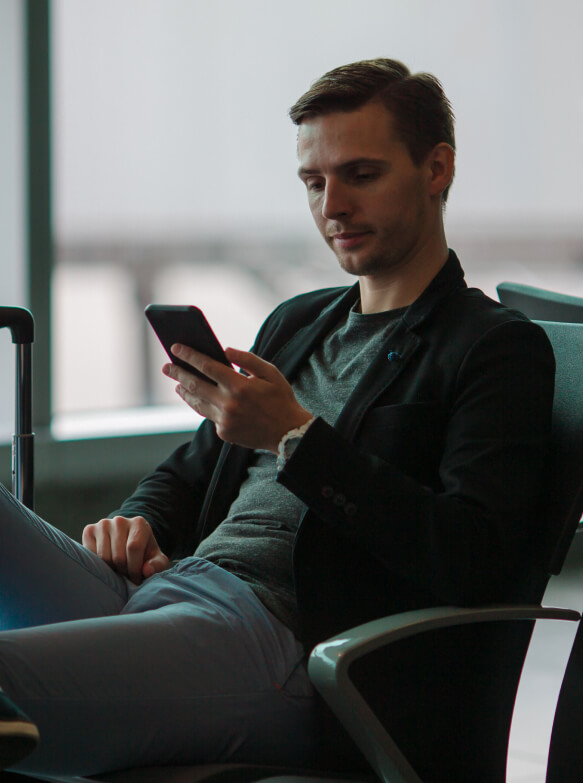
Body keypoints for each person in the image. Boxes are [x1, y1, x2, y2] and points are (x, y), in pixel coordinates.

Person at [0, 58, 555, 782]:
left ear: (436, 168)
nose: (332, 206)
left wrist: (294, 439)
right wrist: (136, 522)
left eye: (360, 174)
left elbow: (470, 555)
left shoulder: (491, 346)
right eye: (313, 182)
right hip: (169, 592)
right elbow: (187, 472)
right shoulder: (298, 321)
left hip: (285, 647)